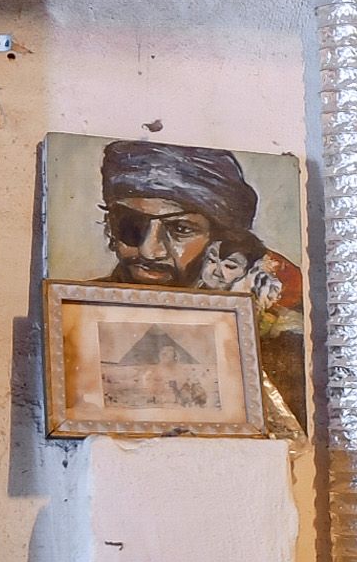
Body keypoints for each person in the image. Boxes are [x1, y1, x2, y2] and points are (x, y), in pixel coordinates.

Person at [95, 140, 308, 428]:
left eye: (180, 229)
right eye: (131, 225)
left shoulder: (275, 332)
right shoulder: (80, 316)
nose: (150, 250)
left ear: (218, 243)